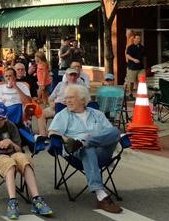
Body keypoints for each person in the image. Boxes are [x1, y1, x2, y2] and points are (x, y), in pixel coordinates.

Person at [0, 102, 53, 219]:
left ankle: (37, 200)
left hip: (13, 153)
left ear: (6, 118)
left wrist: (10, 142)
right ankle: (12, 202)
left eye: (1, 119)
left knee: (25, 160)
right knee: (10, 164)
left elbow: (19, 149)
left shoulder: (11, 126)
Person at [49, 84, 123, 213]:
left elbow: (109, 133)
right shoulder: (63, 115)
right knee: (87, 150)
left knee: (115, 131)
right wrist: (65, 138)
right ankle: (100, 195)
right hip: (76, 153)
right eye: (66, 98)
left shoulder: (97, 114)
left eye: (71, 97)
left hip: (102, 151)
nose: (68, 101)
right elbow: (52, 133)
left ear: (83, 99)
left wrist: (90, 139)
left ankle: (85, 142)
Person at [38, 68, 83, 137]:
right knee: (41, 114)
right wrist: (51, 103)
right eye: (71, 75)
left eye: (74, 75)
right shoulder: (60, 84)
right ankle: (43, 136)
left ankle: (57, 134)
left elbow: (84, 99)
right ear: (66, 75)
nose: (73, 77)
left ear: (77, 76)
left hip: (71, 108)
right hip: (56, 106)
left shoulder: (80, 86)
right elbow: (51, 98)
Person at [124, 34, 146, 98]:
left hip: (141, 68)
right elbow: (127, 55)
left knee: (142, 80)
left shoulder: (142, 47)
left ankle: (141, 94)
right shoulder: (130, 47)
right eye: (137, 38)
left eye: (139, 38)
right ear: (134, 39)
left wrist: (144, 65)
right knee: (131, 81)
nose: (138, 40)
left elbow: (144, 57)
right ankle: (130, 94)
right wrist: (134, 60)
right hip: (132, 67)